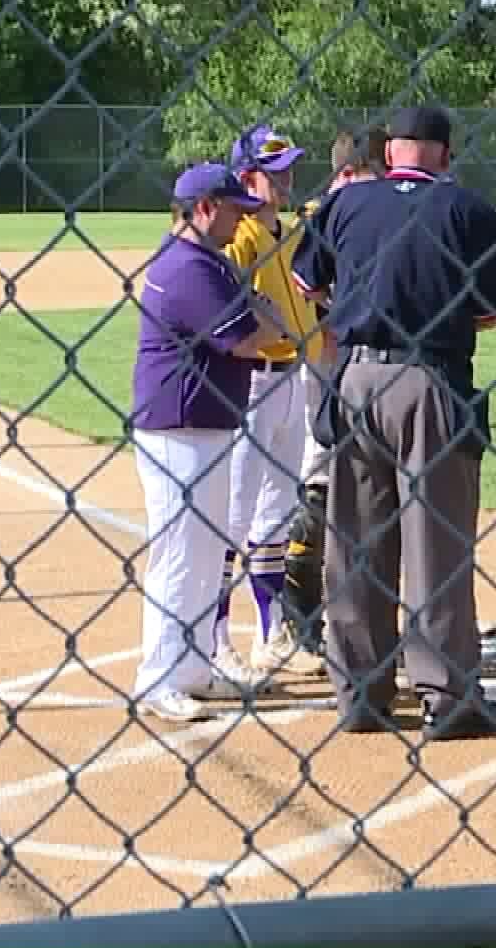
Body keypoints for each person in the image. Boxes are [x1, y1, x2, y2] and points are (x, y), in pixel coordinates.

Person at [289, 104, 496, 741]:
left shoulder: (344, 204)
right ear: (443, 153)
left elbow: (310, 287)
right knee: (435, 542)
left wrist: (364, 298)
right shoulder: (468, 209)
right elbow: (492, 311)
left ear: (390, 151)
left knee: (355, 541)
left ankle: (360, 694)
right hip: (432, 380)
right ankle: (446, 698)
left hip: (355, 378)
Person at [129, 162, 290, 724]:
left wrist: (268, 322)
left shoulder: (201, 261)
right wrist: (271, 325)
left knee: (202, 554)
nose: (237, 222)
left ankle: (192, 668)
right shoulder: (190, 269)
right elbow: (249, 339)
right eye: (230, 211)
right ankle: (157, 678)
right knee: (178, 554)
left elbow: (263, 324)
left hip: (204, 422)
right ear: (202, 209)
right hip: (179, 427)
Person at [215, 123, 327, 681]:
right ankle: (214, 640)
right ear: (246, 177)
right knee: (232, 514)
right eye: (272, 170)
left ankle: (269, 635)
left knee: (276, 512)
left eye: (287, 169)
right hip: (251, 382)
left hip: (292, 377)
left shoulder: (289, 230)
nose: (285, 179)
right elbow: (219, 293)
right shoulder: (240, 239)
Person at [279, 124, 390, 665]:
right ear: (350, 173)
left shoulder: (353, 212)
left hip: (356, 363)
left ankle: (369, 607)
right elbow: (306, 289)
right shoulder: (320, 217)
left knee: (367, 483)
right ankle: (297, 610)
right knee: (318, 481)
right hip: (320, 364)